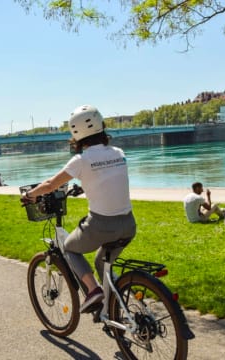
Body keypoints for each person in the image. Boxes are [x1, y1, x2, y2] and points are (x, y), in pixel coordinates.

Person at [21, 104, 136, 313]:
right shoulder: (119, 152)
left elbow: (50, 185)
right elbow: (107, 178)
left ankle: (93, 291)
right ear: (102, 126)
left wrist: (29, 195)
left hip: (101, 225)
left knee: (69, 247)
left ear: (76, 134)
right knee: (102, 263)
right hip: (128, 224)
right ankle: (118, 306)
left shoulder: (81, 161)